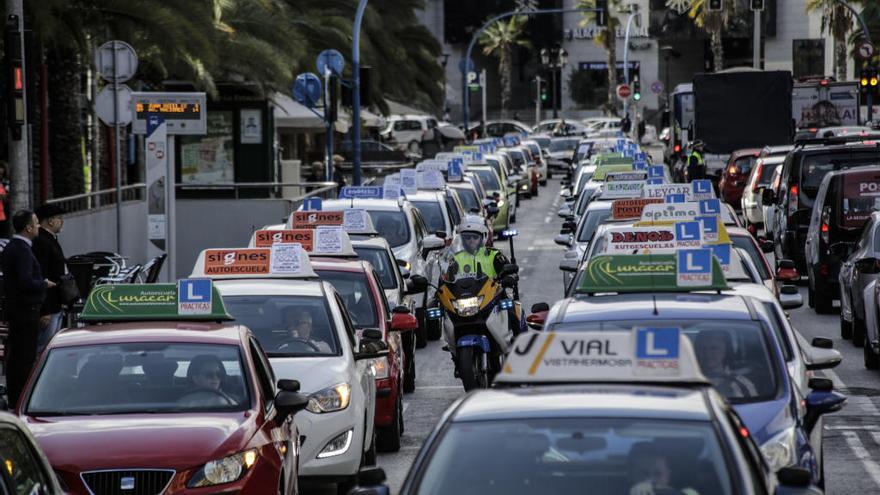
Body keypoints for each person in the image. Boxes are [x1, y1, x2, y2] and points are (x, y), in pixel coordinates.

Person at [1, 210, 54, 408]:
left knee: (17, 357)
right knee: (24, 358)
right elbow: (25, 281)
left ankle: (17, 397)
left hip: (19, 310)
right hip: (25, 311)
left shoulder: (13, 247)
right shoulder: (21, 250)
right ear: (28, 227)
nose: (39, 226)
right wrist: (43, 283)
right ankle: (21, 399)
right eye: (36, 223)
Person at [33, 204, 68, 354]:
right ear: (50, 221)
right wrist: (44, 309)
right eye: (59, 218)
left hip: (55, 303)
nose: (63, 222)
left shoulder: (51, 239)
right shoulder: (41, 241)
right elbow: (40, 275)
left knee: (50, 345)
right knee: (43, 348)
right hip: (49, 305)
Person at [694, 330, 757, 399]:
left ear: (726, 351)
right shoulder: (686, 381)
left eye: (714, 348)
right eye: (702, 348)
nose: (707, 354)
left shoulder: (740, 384)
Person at [445, 219, 511, 280]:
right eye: (467, 237)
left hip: (491, 292)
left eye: (475, 237)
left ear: (482, 238)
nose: (471, 240)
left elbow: (509, 273)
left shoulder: (494, 255)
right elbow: (445, 281)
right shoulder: (456, 258)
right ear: (463, 239)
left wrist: (509, 277)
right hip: (462, 292)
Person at [629, 447, 699, 495]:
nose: (651, 480)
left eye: (658, 473)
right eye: (643, 473)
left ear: (668, 474)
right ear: (631, 475)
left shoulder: (688, 492)